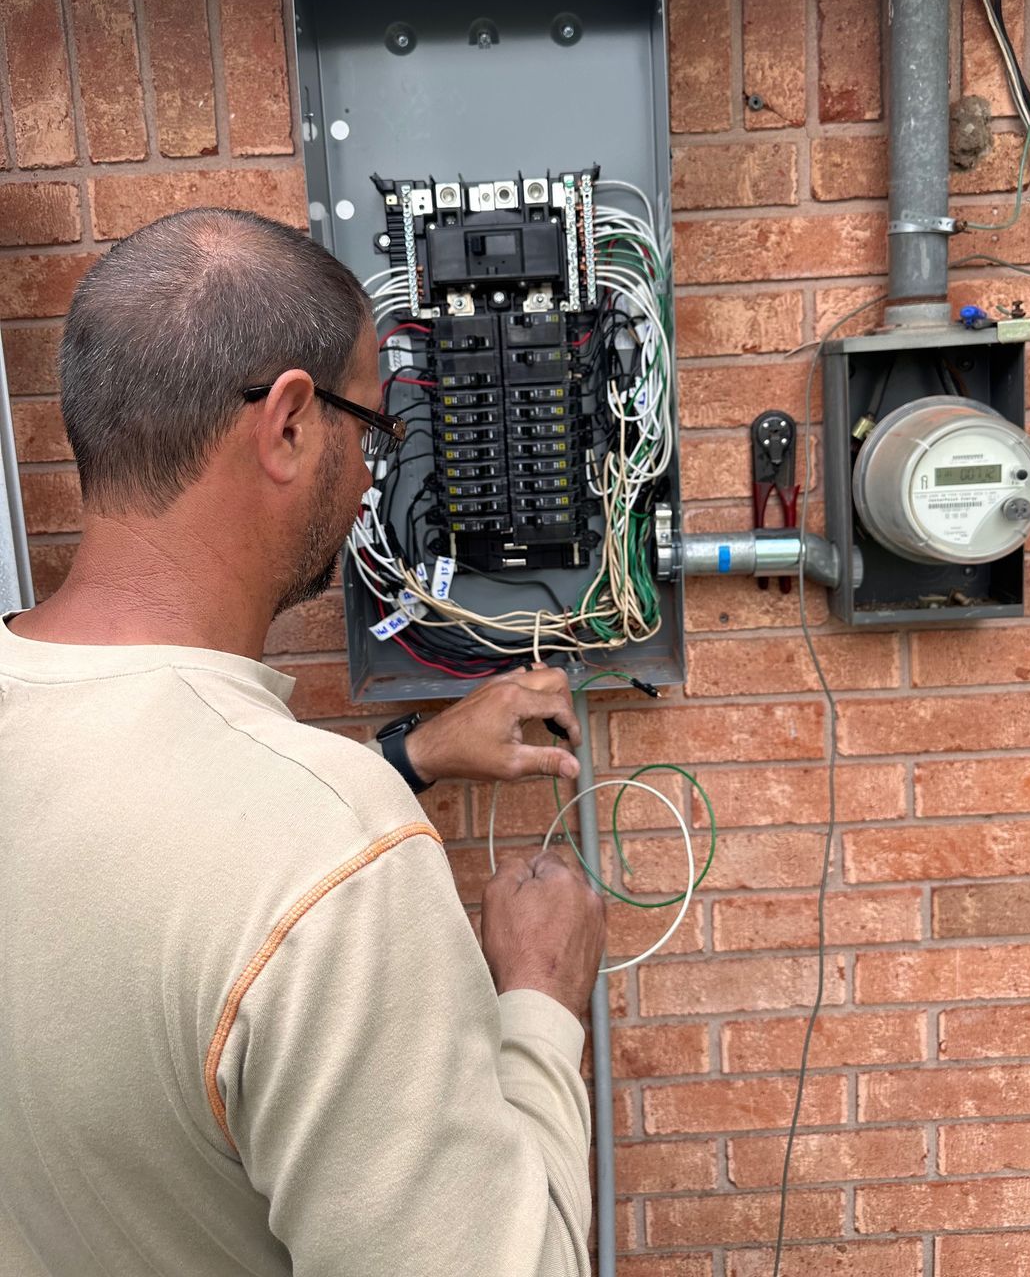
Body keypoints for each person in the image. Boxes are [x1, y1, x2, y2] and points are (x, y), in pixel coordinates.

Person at [0, 207, 606, 1277]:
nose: (376, 475)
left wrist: (411, 758)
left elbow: (163, 866)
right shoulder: (332, 855)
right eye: (373, 429)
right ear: (287, 425)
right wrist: (541, 1006)